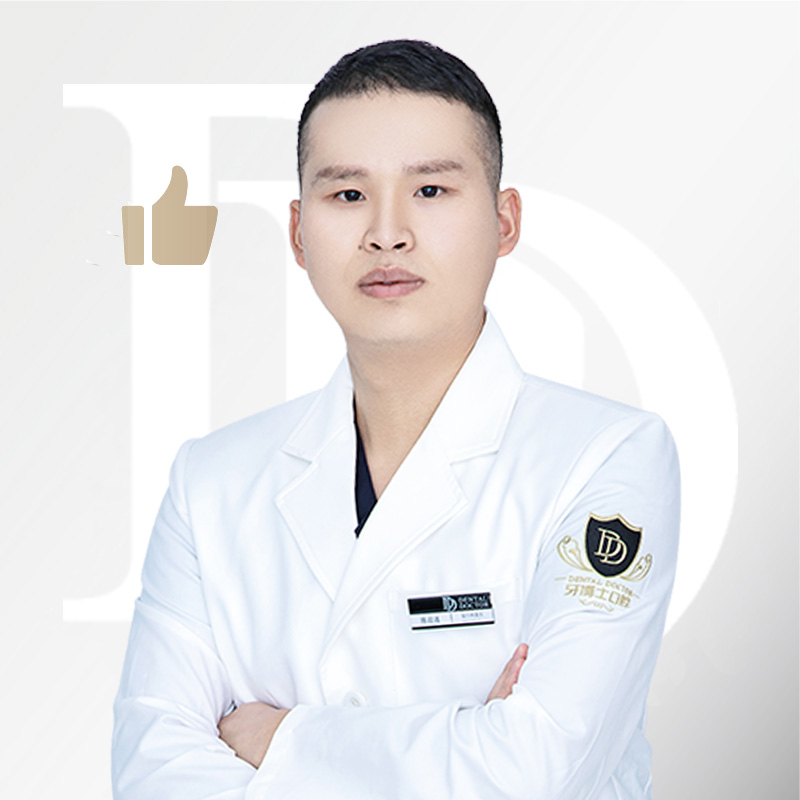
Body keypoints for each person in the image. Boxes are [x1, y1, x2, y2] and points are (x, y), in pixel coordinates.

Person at [111, 39, 680, 799]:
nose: (387, 233)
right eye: (348, 195)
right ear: (298, 232)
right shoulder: (209, 483)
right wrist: (467, 739)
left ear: (505, 221)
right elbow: (151, 772)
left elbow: (539, 769)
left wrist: (282, 739)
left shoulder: (605, 458)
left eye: (431, 190)